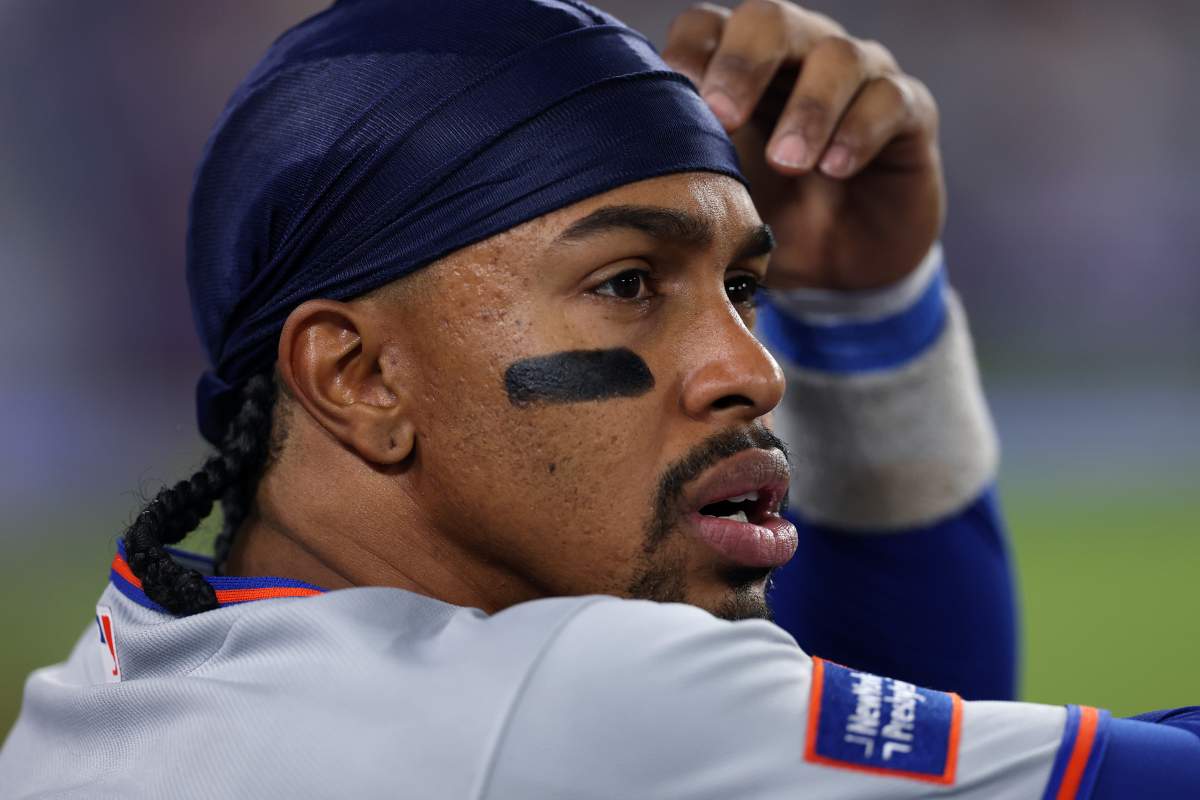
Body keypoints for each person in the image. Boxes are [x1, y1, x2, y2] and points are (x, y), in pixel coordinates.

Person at [2, 0, 1197, 797]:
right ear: (359, 375)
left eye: (745, 288)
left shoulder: (129, 677)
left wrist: (855, 301)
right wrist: (876, 324)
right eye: (628, 284)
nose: (754, 369)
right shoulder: (550, 702)